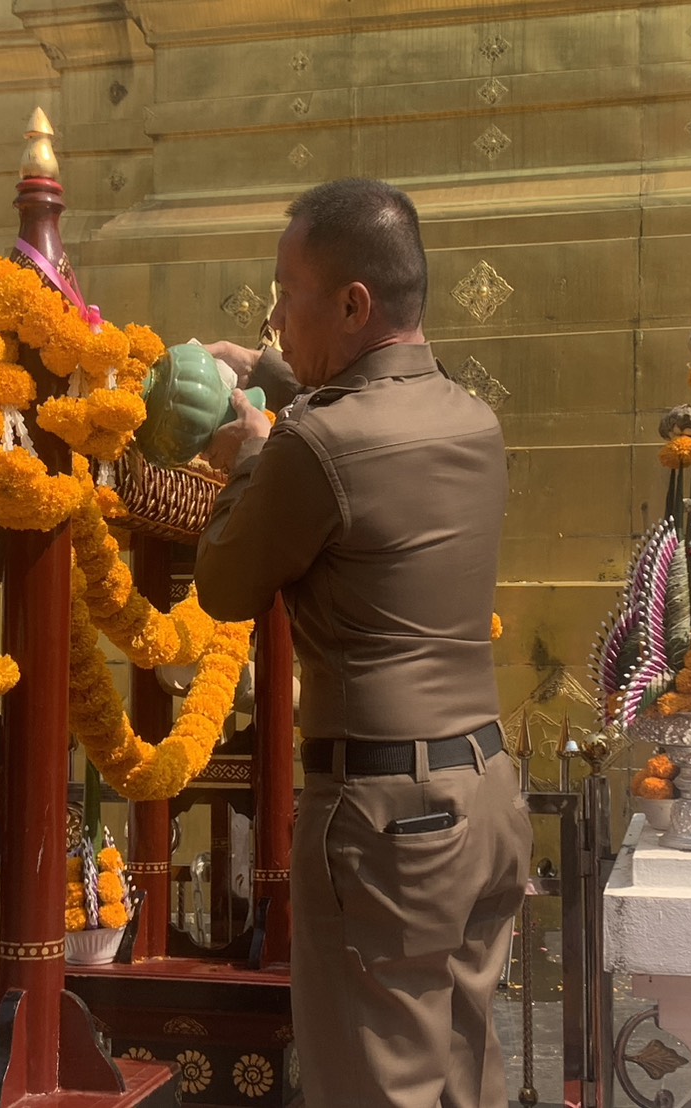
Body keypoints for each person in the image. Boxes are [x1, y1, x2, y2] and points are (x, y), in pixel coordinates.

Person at [193, 177, 531, 1108]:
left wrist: (247, 457)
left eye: (285, 293)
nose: (274, 315)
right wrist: (274, 373)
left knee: (375, 1088)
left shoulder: (312, 447)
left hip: (385, 822)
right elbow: (365, 414)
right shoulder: (471, 419)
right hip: (483, 796)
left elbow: (224, 585)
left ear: (352, 305)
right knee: (464, 1080)